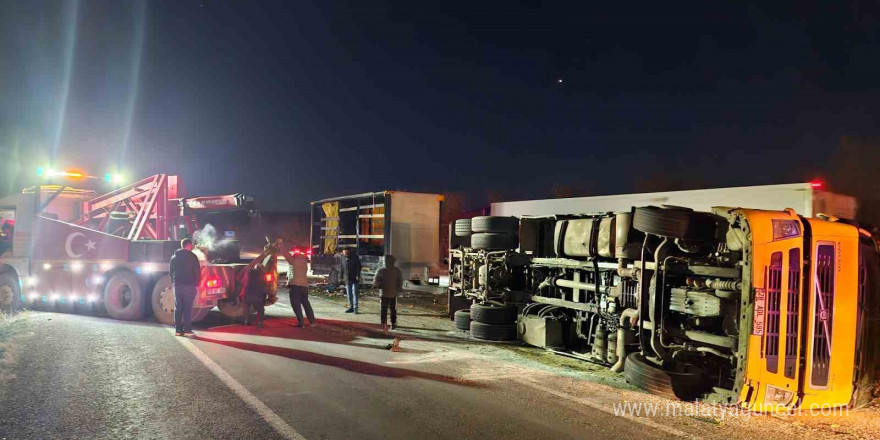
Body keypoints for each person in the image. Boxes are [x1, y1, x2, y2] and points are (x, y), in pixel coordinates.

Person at [169, 238, 201, 336]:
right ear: (189, 245)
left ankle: (178, 330)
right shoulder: (193, 257)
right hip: (189, 285)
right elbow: (197, 272)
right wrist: (196, 284)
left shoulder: (174, 257)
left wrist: (174, 282)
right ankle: (187, 330)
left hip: (177, 285)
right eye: (192, 245)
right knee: (187, 308)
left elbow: (171, 272)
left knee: (178, 307)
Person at [279, 249, 316, 327]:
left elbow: (284, 252)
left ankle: (301, 322)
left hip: (295, 286)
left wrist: (280, 244)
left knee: (296, 305)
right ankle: (312, 322)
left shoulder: (293, 260)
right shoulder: (304, 261)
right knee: (306, 304)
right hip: (304, 286)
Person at [373, 254, 403, 330]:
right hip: (393, 294)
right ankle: (393, 323)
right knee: (393, 309)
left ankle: (383, 324)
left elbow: (376, 281)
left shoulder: (381, 270)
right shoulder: (396, 270)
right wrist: (398, 289)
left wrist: (378, 285)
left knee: (383, 309)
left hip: (384, 293)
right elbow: (400, 281)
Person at [342, 248, 361, 313]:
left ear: (348, 251)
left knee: (354, 293)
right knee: (349, 294)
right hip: (347, 279)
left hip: (354, 278)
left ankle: (355, 308)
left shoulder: (355, 257)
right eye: (344, 253)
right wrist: (340, 277)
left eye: (346, 252)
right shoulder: (343, 258)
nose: (345, 254)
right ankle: (351, 307)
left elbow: (359, 267)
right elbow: (342, 267)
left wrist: (358, 275)